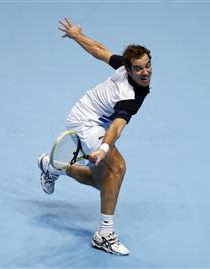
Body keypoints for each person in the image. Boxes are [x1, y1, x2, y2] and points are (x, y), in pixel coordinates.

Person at [37, 17, 152, 256]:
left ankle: (52, 166)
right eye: (139, 68)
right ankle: (104, 235)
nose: (145, 72)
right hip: (87, 122)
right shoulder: (128, 95)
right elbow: (118, 126)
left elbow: (100, 51)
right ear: (129, 69)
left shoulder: (124, 66)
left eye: (148, 65)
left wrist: (76, 34)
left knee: (101, 181)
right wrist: (104, 148)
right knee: (117, 167)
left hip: (91, 115)